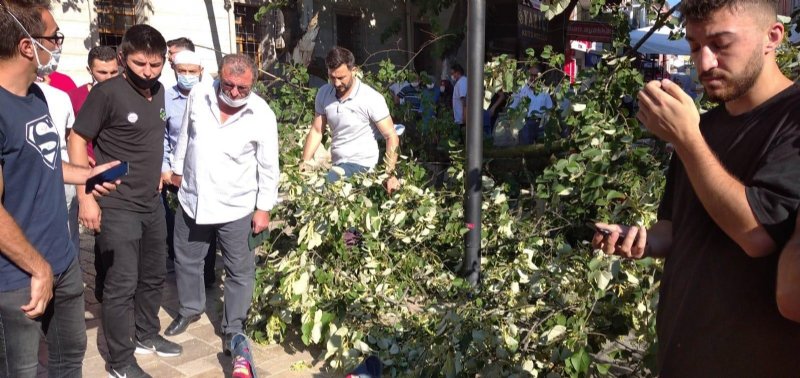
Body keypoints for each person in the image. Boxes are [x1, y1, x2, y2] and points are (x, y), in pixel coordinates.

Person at [591, 0, 800, 374]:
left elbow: (757, 235)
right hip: (683, 354)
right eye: (693, 46)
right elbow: (674, 227)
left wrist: (687, 140)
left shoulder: (792, 120)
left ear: (772, 38)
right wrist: (642, 241)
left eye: (720, 44)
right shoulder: (703, 128)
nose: (704, 64)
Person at [0, 1, 119, 376]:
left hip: (63, 260)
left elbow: (44, 163)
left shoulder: (34, 96)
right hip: (19, 279)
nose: (57, 45)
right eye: (53, 38)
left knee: (69, 361)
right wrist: (38, 268)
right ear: (25, 46)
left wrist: (88, 175)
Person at [68, 24, 181, 378]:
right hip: (116, 203)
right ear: (122, 59)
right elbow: (77, 137)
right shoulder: (107, 93)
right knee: (121, 284)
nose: (148, 72)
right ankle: (120, 361)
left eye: (156, 64)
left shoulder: (161, 91)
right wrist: (85, 196)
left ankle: (147, 334)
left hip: (151, 202)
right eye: (140, 64)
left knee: (153, 276)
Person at [165, 54, 280, 354]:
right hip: (194, 199)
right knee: (187, 259)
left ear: (254, 83)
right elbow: (185, 138)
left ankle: (233, 326)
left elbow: (269, 166)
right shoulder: (200, 95)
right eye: (228, 84)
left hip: (237, 206)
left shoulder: (261, 114)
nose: (234, 93)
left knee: (240, 270)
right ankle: (189, 308)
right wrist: (177, 170)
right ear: (219, 76)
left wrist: (264, 208)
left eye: (243, 88)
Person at [300, 46, 399, 192]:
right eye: (332, 77)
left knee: (318, 189)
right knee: (304, 188)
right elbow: (316, 131)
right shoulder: (324, 94)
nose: (337, 83)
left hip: (362, 167)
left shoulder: (371, 98)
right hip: (338, 166)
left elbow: (391, 135)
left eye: (341, 77)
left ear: (354, 71)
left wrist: (389, 173)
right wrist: (304, 163)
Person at [161, 49, 217, 286]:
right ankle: (185, 275)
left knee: (208, 226)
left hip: (207, 174)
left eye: (191, 71)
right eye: (181, 70)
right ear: (173, 69)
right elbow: (162, 135)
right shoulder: (164, 98)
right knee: (180, 226)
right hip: (177, 175)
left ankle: (207, 275)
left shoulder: (212, 96)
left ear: (201, 72)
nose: (186, 75)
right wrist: (166, 168)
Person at [508, 64, 553, 144]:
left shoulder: (545, 90)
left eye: (535, 75)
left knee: (540, 151)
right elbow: (512, 107)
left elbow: (549, 108)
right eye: (530, 75)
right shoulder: (520, 89)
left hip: (541, 125)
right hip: (525, 124)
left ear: (540, 76)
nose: (533, 78)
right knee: (525, 151)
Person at [450, 63, 467, 128]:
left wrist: (464, 117)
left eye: (453, 73)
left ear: (458, 72)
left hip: (462, 120)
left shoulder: (462, 82)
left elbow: (464, 100)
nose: (452, 76)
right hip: (460, 119)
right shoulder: (461, 82)